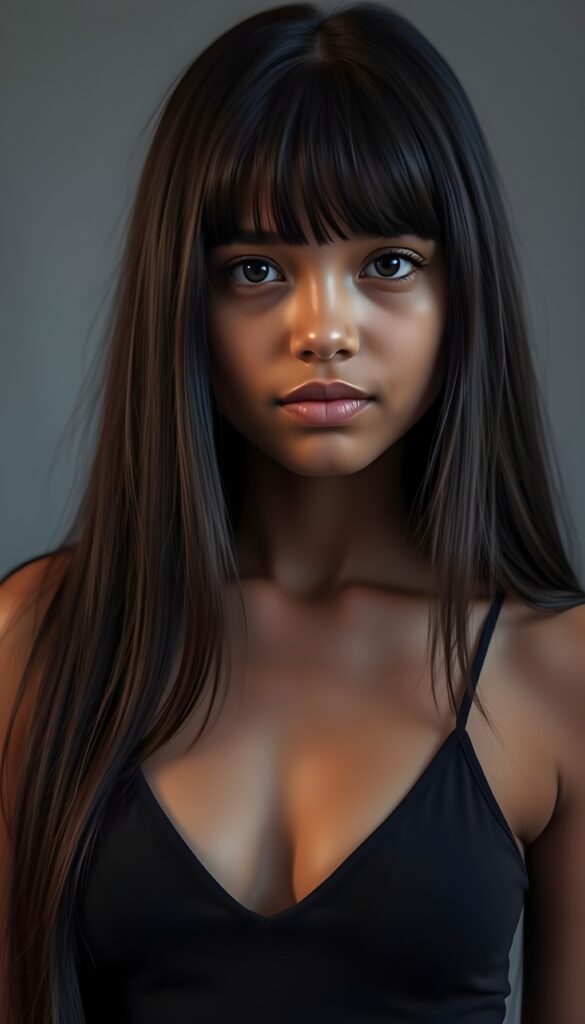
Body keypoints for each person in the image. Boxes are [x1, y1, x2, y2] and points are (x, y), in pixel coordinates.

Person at [1, 3, 584, 1022]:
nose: (324, 329)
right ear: (185, 297)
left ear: (463, 290)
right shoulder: (36, 638)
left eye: (388, 264)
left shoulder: (561, 672)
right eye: (257, 271)